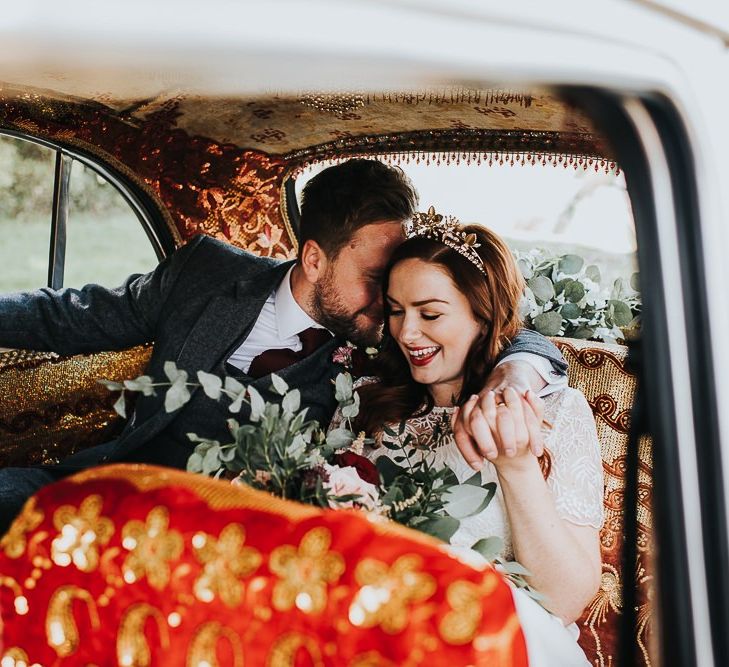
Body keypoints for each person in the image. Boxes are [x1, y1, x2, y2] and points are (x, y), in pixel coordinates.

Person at [0, 160, 566, 532]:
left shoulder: (390, 341)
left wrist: (516, 371)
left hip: (230, 541)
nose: (395, 302)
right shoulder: (207, 272)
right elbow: (69, 317)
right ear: (315, 259)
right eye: (377, 279)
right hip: (106, 488)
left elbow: (501, 329)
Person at [334, 210, 603, 666]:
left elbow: (565, 599)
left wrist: (515, 465)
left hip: (500, 641)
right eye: (396, 311)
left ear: (483, 314)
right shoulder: (363, 403)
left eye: (430, 313)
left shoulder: (552, 410)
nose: (407, 332)